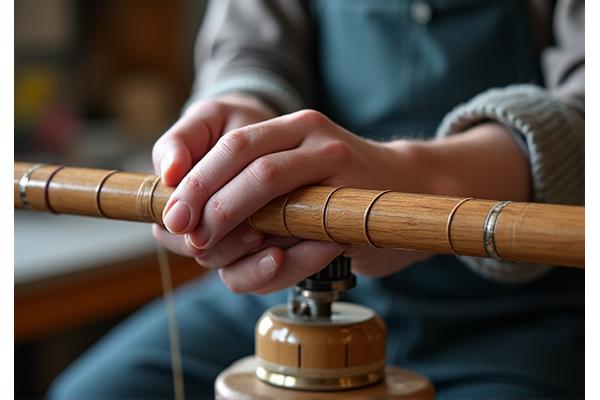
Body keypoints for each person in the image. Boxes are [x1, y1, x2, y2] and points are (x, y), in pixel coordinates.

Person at [49, 0, 584, 398]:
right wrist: (239, 112)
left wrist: (420, 178)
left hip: (525, 317)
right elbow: (250, 47)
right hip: (282, 289)